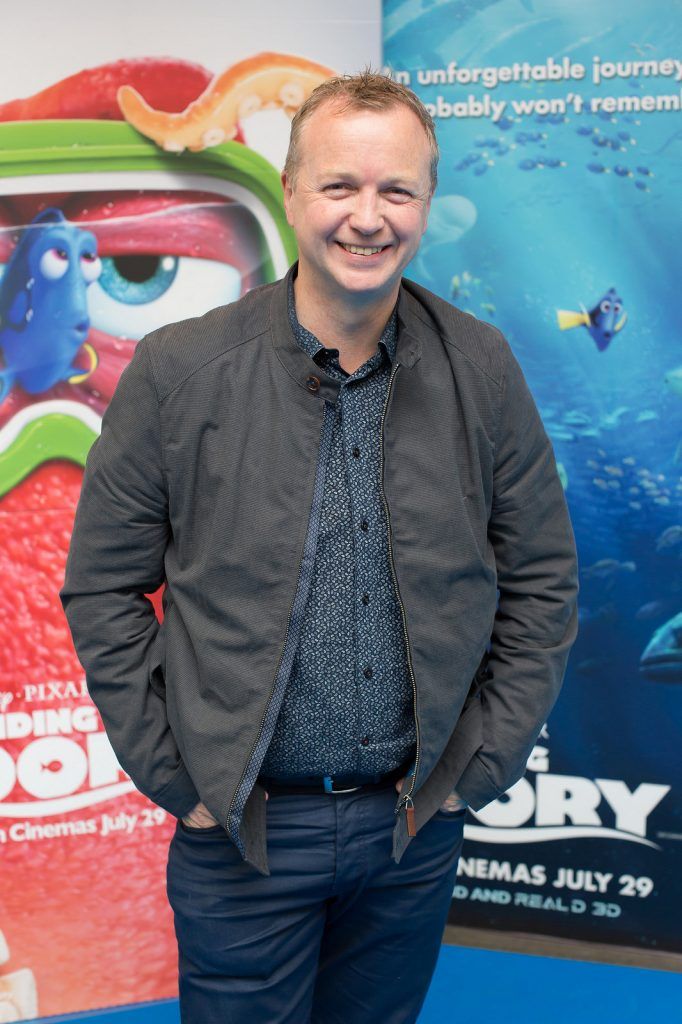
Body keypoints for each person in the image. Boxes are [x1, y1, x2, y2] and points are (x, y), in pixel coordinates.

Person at [60, 71, 578, 1023]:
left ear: (426, 203)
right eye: (341, 186)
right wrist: (183, 779)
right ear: (293, 191)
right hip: (244, 833)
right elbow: (100, 587)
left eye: (396, 191)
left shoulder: (483, 366)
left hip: (408, 830)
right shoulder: (180, 372)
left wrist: (476, 767)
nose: (367, 217)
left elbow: (542, 579)